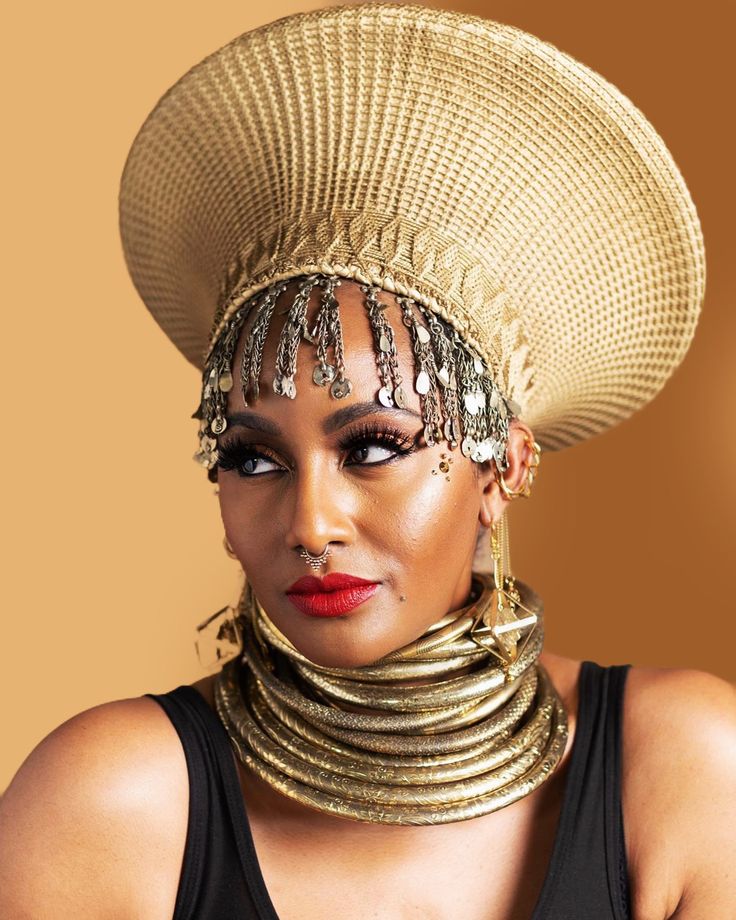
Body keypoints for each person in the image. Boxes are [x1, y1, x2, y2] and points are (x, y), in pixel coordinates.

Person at [1, 3, 734, 918]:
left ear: (502, 469)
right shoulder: (108, 802)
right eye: (255, 460)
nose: (310, 524)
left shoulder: (681, 767)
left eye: (374, 447)